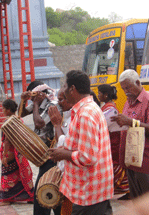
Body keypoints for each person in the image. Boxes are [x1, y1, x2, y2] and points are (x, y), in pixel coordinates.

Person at [49, 70, 114, 215]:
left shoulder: (85, 114)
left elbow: (88, 157)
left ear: (72, 89)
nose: (62, 91)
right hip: (91, 189)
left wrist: (63, 153)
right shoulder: (86, 109)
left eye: (64, 86)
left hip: (88, 192)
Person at [111, 69, 149, 198]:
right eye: (123, 89)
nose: (126, 91)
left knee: (147, 198)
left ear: (138, 83)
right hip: (130, 158)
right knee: (135, 198)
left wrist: (130, 122)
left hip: (144, 158)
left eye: (128, 87)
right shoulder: (128, 102)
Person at [19, 80, 61, 215]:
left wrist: (36, 104)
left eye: (33, 96)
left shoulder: (52, 104)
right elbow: (21, 114)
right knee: (50, 189)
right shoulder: (39, 103)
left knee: (43, 190)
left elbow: (39, 123)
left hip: (52, 154)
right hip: (44, 154)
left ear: (41, 94)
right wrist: (23, 101)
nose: (32, 99)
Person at [0, 99, 34, 206]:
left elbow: (7, 140)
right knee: (19, 174)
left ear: (8, 110)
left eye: (4, 108)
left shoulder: (8, 122)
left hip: (11, 152)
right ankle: (28, 196)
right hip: (19, 152)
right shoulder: (19, 120)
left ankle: (7, 198)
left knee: (7, 175)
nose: (3, 110)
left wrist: (4, 156)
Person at [97, 84, 129, 196]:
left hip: (113, 139)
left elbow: (103, 124)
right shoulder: (107, 106)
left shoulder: (110, 108)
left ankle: (121, 186)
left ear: (106, 95)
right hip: (111, 137)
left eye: (99, 93)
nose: (98, 95)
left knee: (114, 162)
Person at [49, 88, 74, 215]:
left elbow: (64, 143)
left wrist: (57, 125)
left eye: (61, 99)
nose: (58, 103)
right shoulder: (67, 114)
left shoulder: (77, 117)